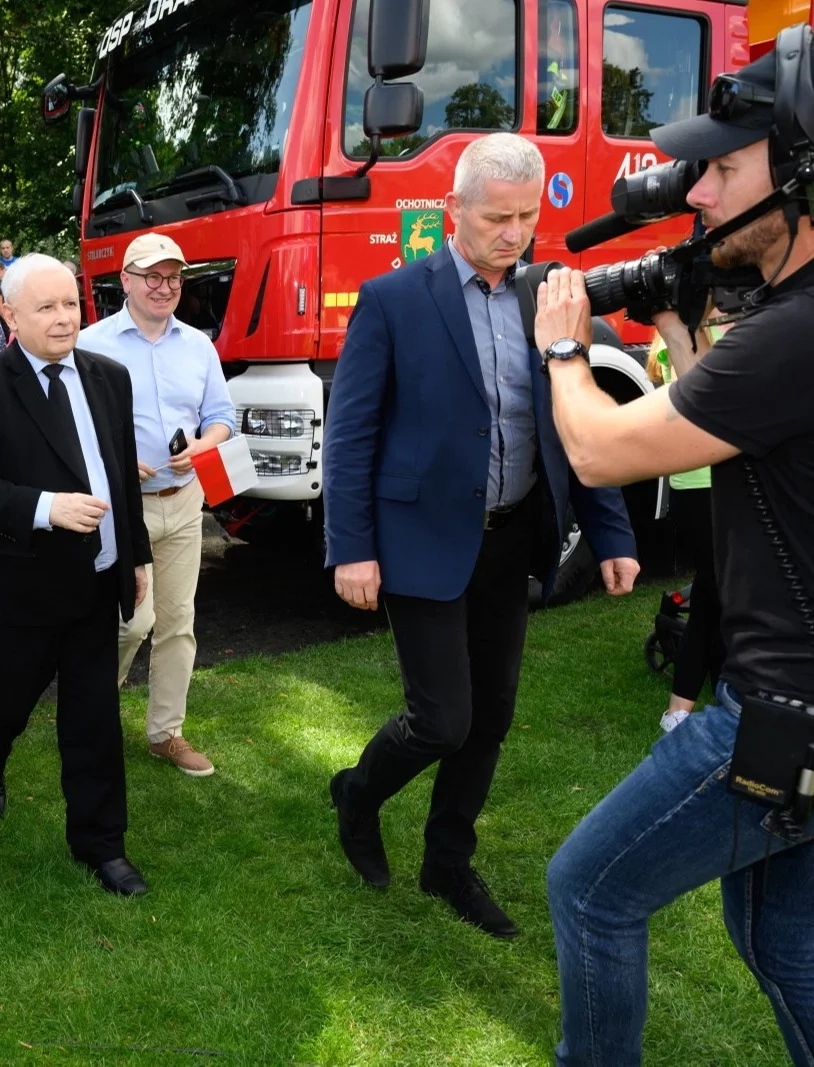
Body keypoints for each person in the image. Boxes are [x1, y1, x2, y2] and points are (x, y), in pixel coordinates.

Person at [537, 51, 814, 1063]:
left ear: (804, 178)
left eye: (724, 174)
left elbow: (600, 447)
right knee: (781, 938)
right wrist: (678, 317)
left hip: (774, 716)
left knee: (590, 890)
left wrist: (567, 347)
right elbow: (718, 423)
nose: (697, 194)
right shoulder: (785, 324)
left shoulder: (794, 333)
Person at [323, 133, 639, 939]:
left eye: (528, 216)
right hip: (420, 538)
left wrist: (612, 534)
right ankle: (360, 793)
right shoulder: (395, 298)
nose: (514, 232)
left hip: (512, 536)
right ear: (454, 208)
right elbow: (351, 433)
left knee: (491, 715)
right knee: (442, 718)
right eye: (498, 216)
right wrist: (350, 546)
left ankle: (447, 862)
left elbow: (576, 429)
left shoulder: (549, 296)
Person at [0, 254, 152, 896]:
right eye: (46, 308)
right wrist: (44, 507)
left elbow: (121, 476)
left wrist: (135, 552)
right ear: (8, 311)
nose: (64, 319)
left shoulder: (109, 377)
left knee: (93, 720)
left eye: (70, 304)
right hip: (17, 588)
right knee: (5, 706)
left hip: (94, 583)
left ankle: (101, 844)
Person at [78, 232, 235, 777]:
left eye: (172, 277)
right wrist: (117, 464)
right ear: (125, 281)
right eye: (152, 276)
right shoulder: (91, 344)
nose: (164, 286)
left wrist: (202, 446)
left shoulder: (197, 344)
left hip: (185, 502)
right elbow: (74, 432)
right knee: (130, 621)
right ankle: (91, 713)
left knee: (177, 622)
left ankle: (165, 733)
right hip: (123, 510)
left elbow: (222, 416)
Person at [649, 327, 726, 733]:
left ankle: (687, 708)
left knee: (717, 591)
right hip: (703, 481)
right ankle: (680, 711)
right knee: (716, 590)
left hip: (708, 480)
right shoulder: (688, 332)